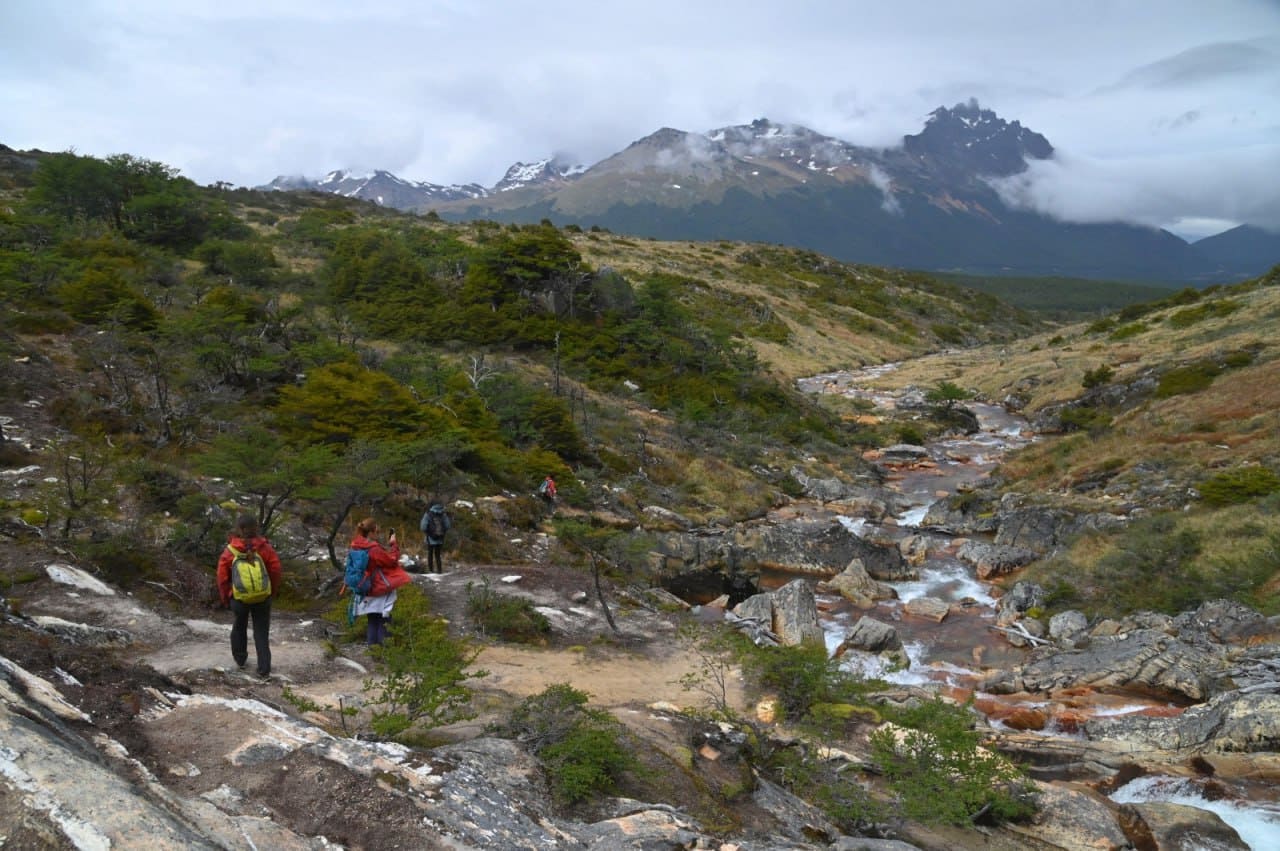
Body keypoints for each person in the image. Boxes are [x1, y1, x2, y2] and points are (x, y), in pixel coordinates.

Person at [216, 514, 283, 679]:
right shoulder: (265, 548)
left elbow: (222, 577)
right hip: (262, 598)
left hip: (239, 598)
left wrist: (226, 597)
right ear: (257, 528)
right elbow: (275, 570)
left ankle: (240, 659)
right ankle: (264, 668)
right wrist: (271, 592)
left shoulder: (230, 550)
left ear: (239, 529)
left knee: (239, 626)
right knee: (261, 631)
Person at [349, 517, 411, 646]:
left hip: (364, 587)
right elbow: (392, 560)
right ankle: (385, 652)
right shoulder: (374, 549)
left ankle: (373, 650)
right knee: (384, 619)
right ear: (370, 532)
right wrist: (393, 544)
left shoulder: (355, 545)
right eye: (376, 531)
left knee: (372, 620)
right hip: (378, 588)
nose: (378, 534)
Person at [418, 501, 452, 573]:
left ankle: (431, 571)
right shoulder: (443, 514)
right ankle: (439, 570)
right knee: (438, 555)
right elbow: (448, 526)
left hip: (430, 538)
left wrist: (428, 532)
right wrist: (442, 532)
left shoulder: (428, 514)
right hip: (440, 538)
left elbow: (423, 527)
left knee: (430, 554)